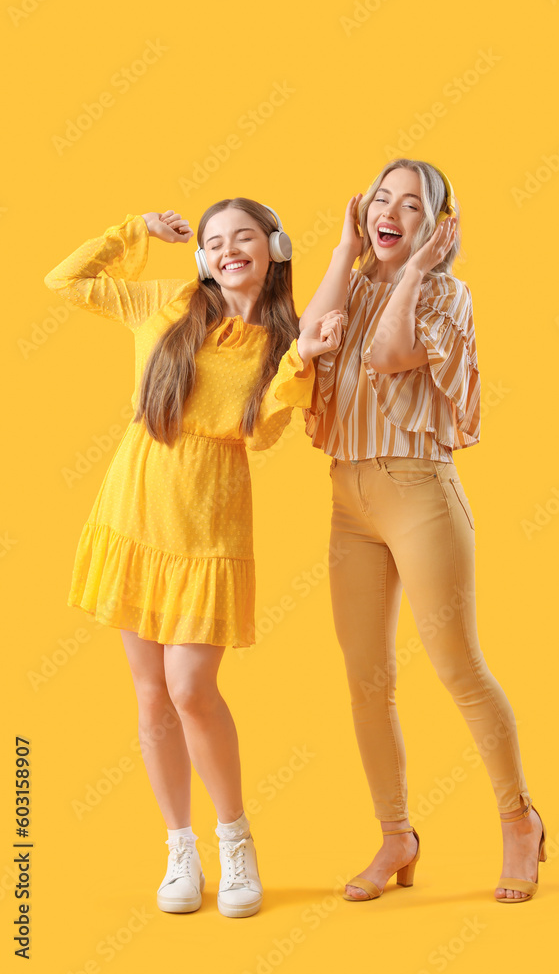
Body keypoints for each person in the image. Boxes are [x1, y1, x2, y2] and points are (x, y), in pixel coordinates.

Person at [44, 201, 343, 917]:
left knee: (190, 690)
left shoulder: (283, 340)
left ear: (274, 247)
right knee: (151, 693)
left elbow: (263, 433)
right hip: (132, 513)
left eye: (244, 237)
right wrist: (135, 231)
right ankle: (180, 848)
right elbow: (65, 281)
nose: (229, 249)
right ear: (203, 257)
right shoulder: (167, 301)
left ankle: (235, 842)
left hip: (208, 526)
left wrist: (304, 357)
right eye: (215, 241)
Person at [299, 158, 547, 903]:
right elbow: (308, 339)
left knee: (458, 667)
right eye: (382, 198)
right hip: (348, 499)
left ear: (437, 226)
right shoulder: (350, 282)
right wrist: (343, 251)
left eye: (411, 205)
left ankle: (519, 820)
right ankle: (395, 836)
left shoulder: (445, 293)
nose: (390, 212)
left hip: (419, 492)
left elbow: (385, 354)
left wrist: (412, 270)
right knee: (365, 679)